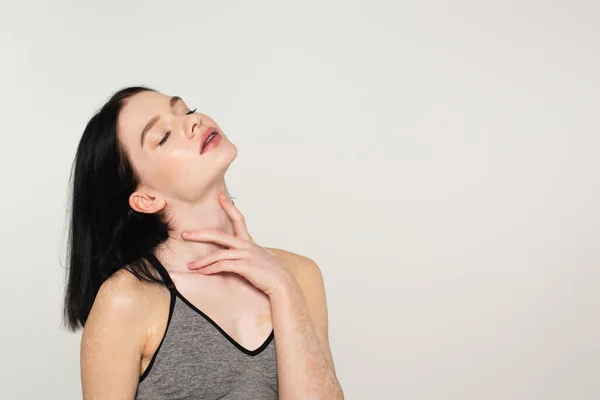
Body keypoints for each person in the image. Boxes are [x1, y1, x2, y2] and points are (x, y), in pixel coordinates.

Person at [62, 86, 344, 399]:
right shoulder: (126, 300)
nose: (193, 123)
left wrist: (282, 287)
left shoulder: (299, 275)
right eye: (163, 136)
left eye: (186, 110)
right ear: (146, 198)